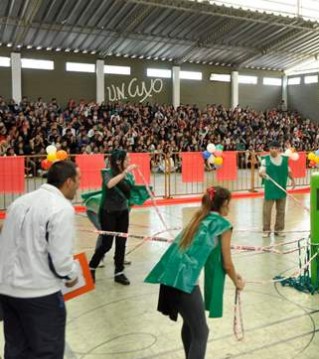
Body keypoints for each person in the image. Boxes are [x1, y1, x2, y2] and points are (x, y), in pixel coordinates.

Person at [145, 186, 245, 359]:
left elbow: (220, 262)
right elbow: (227, 264)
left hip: (170, 277)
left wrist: (234, 275)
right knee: (201, 333)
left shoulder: (200, 217)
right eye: (229, 204)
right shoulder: (223, 225)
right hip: (184, 281)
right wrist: (237, 282)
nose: (229, 208)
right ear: (224, 204)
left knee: (190, 325)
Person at [0, 160, 81, 358]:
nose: (79, 185)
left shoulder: (19, 202)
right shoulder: (61, 208)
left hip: (8, 291)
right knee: (46, 351)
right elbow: (61, 260)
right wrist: (72, 274)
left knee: (15, 349)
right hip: (39, 294)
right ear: (69, 182)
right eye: (78, 180)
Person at [88, 150, 138, 285]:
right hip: (108, 212)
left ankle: (119, 272)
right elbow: (110, 184)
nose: (129, 161)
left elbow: (131, 193)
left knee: (121, 244)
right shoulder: (107, 172)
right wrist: (125, 173)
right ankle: (91, 266)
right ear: (118, 161)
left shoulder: (128, 176)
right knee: (107, 244)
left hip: (123, 212)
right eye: (126, 159)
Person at [259, 141, 295, 238]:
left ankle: (279, 230)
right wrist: (262, 173)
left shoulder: (284, 159)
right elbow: (261, 171)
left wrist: (293, 180)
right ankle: (266, 230)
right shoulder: (265, 160)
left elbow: (288, 171)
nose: (273, 150)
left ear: (279, 149)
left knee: (281, 210)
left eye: (275, 148)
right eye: (271, 148)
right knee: (267, 210)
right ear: (269, 149)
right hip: (270, 189)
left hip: (281, 188)